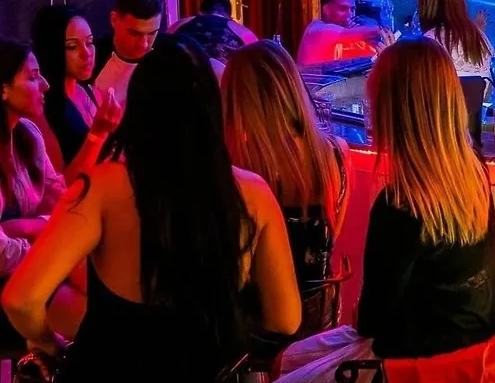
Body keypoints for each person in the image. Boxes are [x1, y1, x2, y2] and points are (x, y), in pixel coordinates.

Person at [2, 35, 301, 382]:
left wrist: (49, 345)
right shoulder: (253, 193)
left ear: (137, 107)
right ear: (212, 107)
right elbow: (285, 320)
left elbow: (21, 300)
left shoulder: (102, 187)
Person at [275, 37, 495, 383]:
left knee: (285, 367)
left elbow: (371, 322)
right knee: (289, 360)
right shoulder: (473, 172)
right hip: (470, 354)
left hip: (413, 364)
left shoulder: (400, 205)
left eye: (374, 97)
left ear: (393, 110)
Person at [221, 40, 350, 287]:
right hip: (321, 304)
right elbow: (329, 240)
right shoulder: (337, 153)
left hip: (260, 308)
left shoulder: (241, 167)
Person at [0, 39, 85, 342]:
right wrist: (49, 250)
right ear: (3, 89)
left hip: (27, 270)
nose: (46, 85)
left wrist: (28, 226)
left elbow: (62, 203)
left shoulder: (27, 133)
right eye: (34, 77)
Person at [31, 5, 121, 185]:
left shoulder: (88, 90)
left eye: (89, 42)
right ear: (52, 50)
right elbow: (60, 186)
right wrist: (97, 134)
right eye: (72, 47)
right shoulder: (41, 106)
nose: (86, 54)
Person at [413, 0, 493, 145]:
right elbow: (485, 94)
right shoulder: (480, 38)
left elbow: (412, 102)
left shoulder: (429, 42)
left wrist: (388, 61)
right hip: (470, 148)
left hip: (433, 145)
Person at [92, 0, 163, 106]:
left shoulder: (169, 55)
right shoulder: (92, 58)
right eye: (135, 33)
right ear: (114, 20)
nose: (144, 44)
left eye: (152, 33)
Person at [168, 0, 258, 81]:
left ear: (200, 12)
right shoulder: (241, 31)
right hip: (222, 81)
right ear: (230, 16)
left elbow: (162, 44)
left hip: (180, 78)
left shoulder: (179, 24)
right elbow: (259, 55)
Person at [297, 0, 391, 66]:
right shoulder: (317, 30)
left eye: (352, 9)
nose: (350, 15)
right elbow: (373, 31)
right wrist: (383, 31)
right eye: (343, 8)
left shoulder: (342, 35)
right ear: (326, 10)